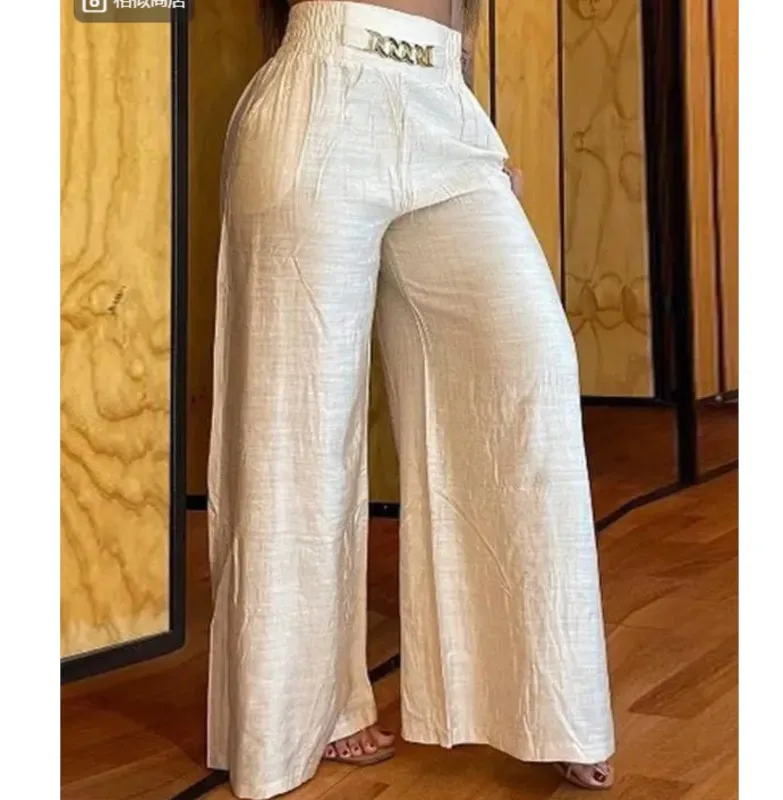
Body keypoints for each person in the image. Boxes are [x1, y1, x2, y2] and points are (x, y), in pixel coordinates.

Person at [206, 1, 616, 797]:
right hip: (320, 85)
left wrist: (468, 113)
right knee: (299, 421)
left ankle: (546, 700)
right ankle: (309, 709)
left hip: (443, 100)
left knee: (529, 368)